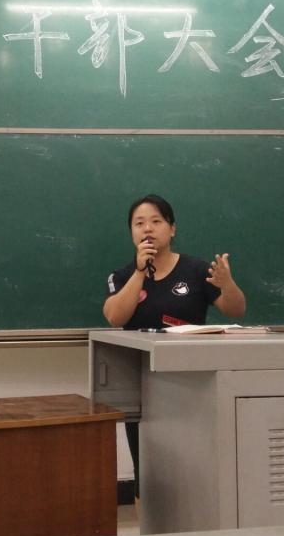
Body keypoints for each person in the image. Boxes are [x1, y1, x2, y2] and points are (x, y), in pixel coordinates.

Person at [102, 194, 246, 501]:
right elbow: (115, 317)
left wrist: (227, 283)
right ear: (131, 232)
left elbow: (235, 309)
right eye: (139, 223)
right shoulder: (122, 275)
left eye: (156, 221)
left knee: (194, 466)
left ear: (172, 228)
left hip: (193, 383)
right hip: (143, 385)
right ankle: (149, 528)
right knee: (147, 471)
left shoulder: (196, 270)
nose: (148, 229)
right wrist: (140, 272)